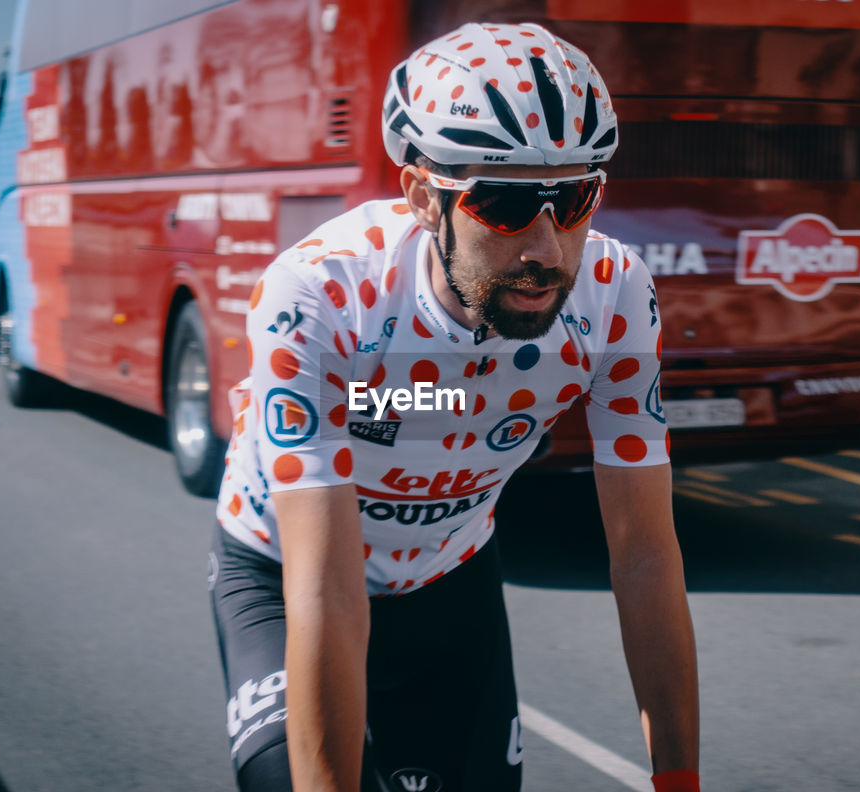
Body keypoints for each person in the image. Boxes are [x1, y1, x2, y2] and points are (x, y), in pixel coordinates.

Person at [208, 22, 701, 792]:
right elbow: (327, 588)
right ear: (420, 196)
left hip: (449, 572)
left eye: (575, 198)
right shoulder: (321, 297)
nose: (545, 246)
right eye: (504, 204)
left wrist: (678, 778)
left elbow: (643, 553)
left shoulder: (617, 293)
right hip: (285, 573)